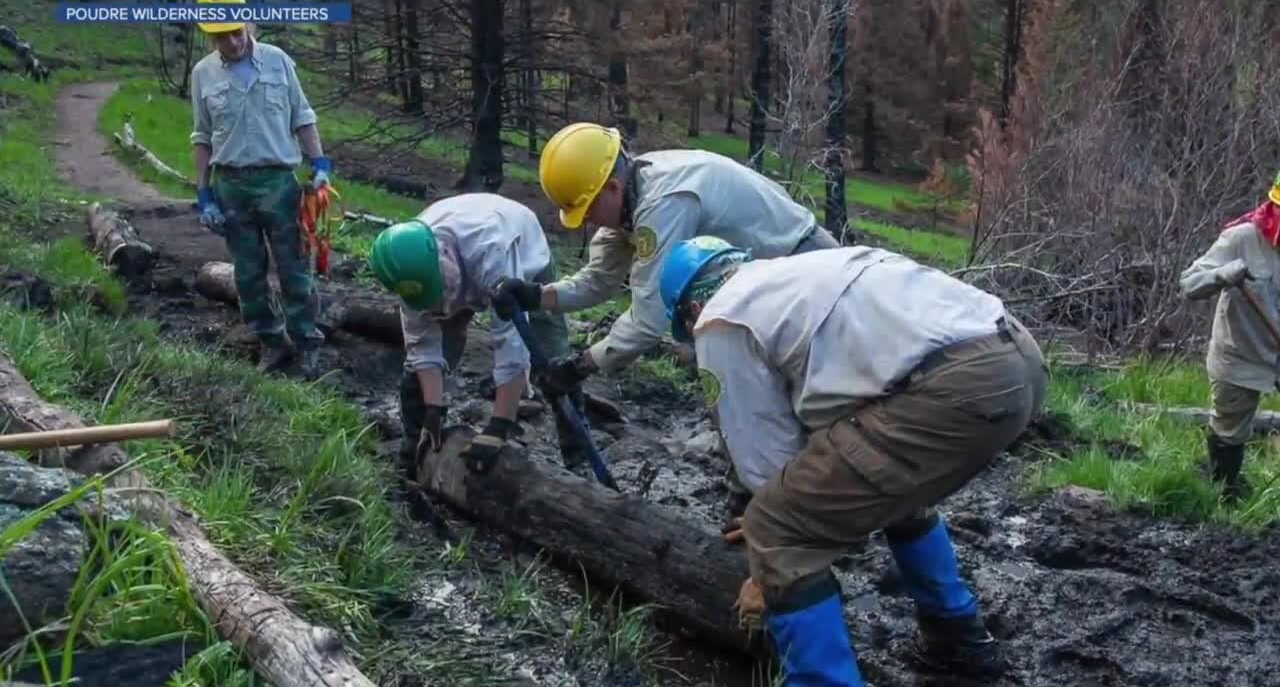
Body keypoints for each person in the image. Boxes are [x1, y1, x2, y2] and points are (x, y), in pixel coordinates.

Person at [657, 236, 1049, 686]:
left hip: (954, 388)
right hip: (1017, 360)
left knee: (779, 524)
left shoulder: (720, 320)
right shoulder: (784, 279)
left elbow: (766, 466)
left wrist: (766, 569)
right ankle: (956, 639)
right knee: (888, 488)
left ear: (688, 311)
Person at [489, 122, 842, 509]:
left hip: (805, 267)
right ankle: (758, 495)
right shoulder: (629, 197)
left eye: (587, 210)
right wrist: (537, 296)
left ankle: (803, 513)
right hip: (756, 287)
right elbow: (599, 281)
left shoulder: (664, 203)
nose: (588, 221)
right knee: (737, 384)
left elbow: (648, 320)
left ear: (610, 187)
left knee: (799, 400)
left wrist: (579, 366)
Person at [367, 193, 596, 494]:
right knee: (426, 363)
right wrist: (433, 409)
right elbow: (422, 346)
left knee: (553, 360)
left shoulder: (492, 253)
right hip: (461, 267)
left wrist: (499, 425)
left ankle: (579, 459)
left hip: (519, 241)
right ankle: (415, 446)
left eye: (443, 296)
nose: (441, 308)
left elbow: (511, 346)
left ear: (443, 258)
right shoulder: (405, 267)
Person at [189, 0, 333, 376]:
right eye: (221, 37)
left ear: (248, 24)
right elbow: (201, 137)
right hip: (231, 185)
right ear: (209, 36)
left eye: (237, 32)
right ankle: (271, 340)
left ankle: (306, 343)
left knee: (294, 269)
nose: (232, 43)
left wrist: (320, 162)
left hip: (278, 184)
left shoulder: (278, 61)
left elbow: (302, 116)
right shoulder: (203, 74)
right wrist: (204, 193)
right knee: (248, 273)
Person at [1177, 172, 1280, 502]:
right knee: (1230, 429)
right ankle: (1223, 492)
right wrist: (1222, 274)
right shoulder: (1241, 238)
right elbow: (1189, 284)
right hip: (1241, 354)